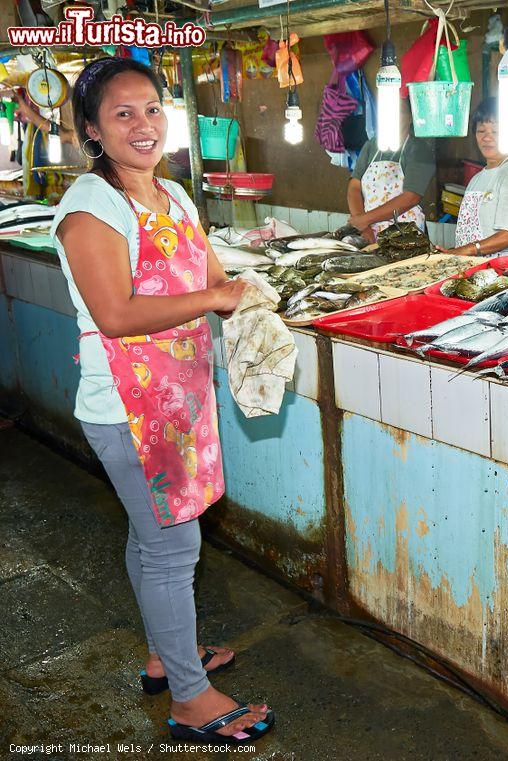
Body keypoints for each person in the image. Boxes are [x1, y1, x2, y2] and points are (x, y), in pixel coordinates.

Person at [52, 57, 275, 746]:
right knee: (173, 548)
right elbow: (115, 313)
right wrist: (213, 298)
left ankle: (166, 654)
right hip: (126, 408)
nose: (143, 124)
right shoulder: (90, 209)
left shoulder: (174, 197)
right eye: (122, 113)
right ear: (93, 129)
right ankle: (189, 695)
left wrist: (248, 299)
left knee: (151, 539)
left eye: (151, 108)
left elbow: (210, 273)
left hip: (178, 400)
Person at [439, 97, 508, 257]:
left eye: (496, 131)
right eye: (481, 131)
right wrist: (454, 252)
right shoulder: (476, 179)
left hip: (501, 271)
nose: (487, 138)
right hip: (472, 267)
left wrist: (470, 249)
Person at [346, 97, 435, 243]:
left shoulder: (419, 149)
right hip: (367, 232)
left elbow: (411, 197)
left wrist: (365, 219)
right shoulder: (372, 146)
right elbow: (354, 187)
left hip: (404, 235)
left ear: (411, 117)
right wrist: (363, 228)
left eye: (399, 112)